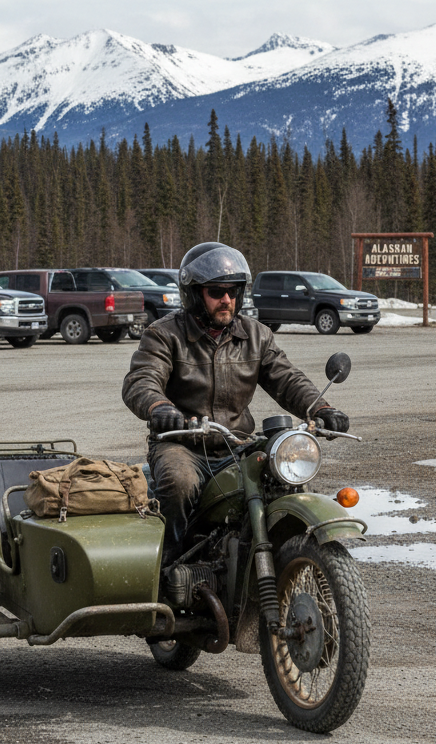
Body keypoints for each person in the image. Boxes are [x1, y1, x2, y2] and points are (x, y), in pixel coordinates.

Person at [122, 242, 349, 566]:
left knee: (282, 478)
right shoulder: (164, 334)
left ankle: (278, 559)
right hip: (182, 443)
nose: (226, 299)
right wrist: (160, 409)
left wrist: (322, 409)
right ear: (194, 293)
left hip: (237, 443)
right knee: (180, 483)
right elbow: (141, 380)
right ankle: (167, 564)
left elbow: (286, 378)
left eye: (233, 291)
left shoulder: (255, 335)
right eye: (216, 291)